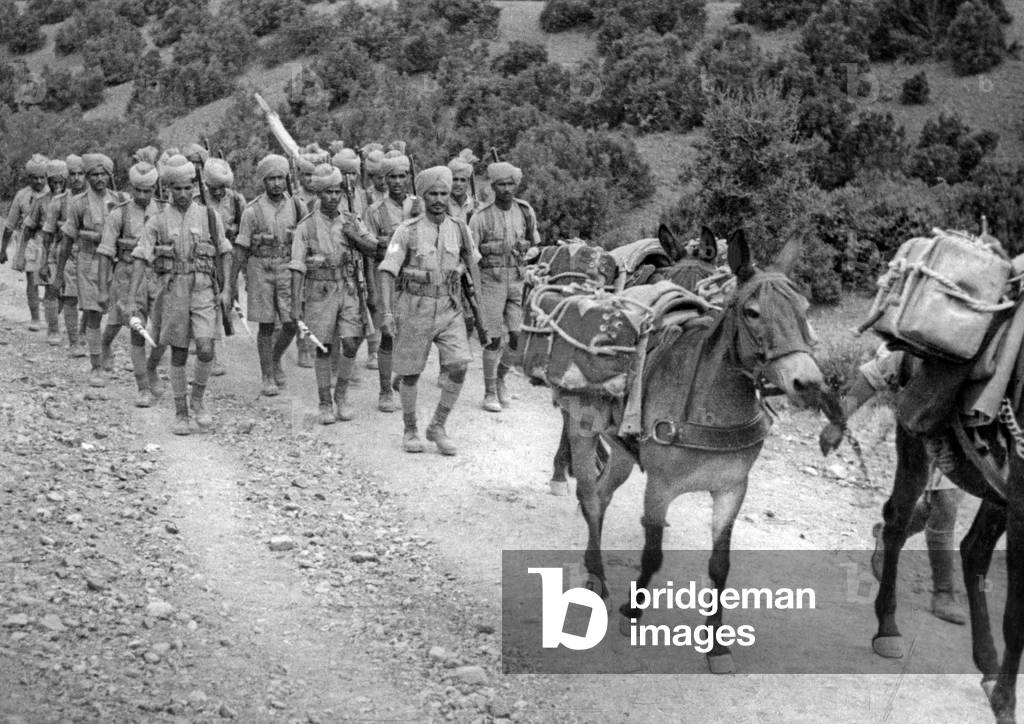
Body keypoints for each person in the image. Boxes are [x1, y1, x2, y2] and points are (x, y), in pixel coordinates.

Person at [819, 345, 967, 624]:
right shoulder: (935, 332)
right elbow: (877, 374)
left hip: (974, 432)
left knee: (940, 503)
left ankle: (887, 536)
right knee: (944, 503)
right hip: (922, 420)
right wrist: (838, 422)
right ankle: (943, 592)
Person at [378, 165, 481, 455]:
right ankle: (410, 429)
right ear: (422, 197)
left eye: (444, 194)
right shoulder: (406, 231)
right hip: (414, 307)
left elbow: (473, 262)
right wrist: (387, 313)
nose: (439, 199)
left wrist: (461, 272)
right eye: (433, 194)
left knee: (460, 364)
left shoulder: (460, 228)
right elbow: (387, 271)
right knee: (411, 374)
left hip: (449, 307)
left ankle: (437, 425)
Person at [128, 154, 231, 434]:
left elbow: (224, 251)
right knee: (179, 352)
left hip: (203, 288)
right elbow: (140, 256)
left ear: (195, 188)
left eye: (188, 188)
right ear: (168, 189)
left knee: (207, 348)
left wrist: (228, 290)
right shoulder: (157, 221)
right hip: (172, 290)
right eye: (177, 188)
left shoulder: (210, 216)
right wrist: (131, 296)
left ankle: (197, 398)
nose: (183, 193)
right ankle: (181, 412)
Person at [289, 164, 377, 424]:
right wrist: (296, 304)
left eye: (337, 191)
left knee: (351, 342)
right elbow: (297, 266)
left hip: (349, 288)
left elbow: (375, 249)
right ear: (317, 193)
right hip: (319, 291)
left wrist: (354, 236)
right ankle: (325, 402)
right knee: (323, 347)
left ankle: (341, 396)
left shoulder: (351, 220)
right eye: (327, 192)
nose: (333, 197)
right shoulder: (306, 226)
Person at [230, 154, 306, 396]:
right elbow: (241, 247)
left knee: (292, 322)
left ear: (287, 178)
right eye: (271, 178)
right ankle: (267, 375)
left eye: (280, 178)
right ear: (263, 181)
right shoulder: (251, 211)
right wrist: (231, 283)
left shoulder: (296, 206)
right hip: (260, 267)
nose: (276, 183)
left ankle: (275, 358)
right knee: (265, 325)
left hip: (287, 267)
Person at [468, 161, 542, 412]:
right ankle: (489, 392)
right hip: (491, 281)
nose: (507, 189)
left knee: (518, 337)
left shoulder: (524, 211)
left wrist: (528, 254)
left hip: (518, 281)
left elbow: (536, 244)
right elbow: (470, 254)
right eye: (501, 184)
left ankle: (501, 378)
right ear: (493, 186)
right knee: (493, 339)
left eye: (511, 183)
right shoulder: (480, 217)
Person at [96, 161, 167, 407]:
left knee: (159, 330)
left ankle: (152, 367)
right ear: (131, 188)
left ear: (155, 189)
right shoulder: (119, 214)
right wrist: (104, 289)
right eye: (138, 190)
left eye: (147, 191)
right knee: (129, 326)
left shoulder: (165, 213)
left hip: (158, 275)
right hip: (127, 275)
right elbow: (105, 252)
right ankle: (142, 386)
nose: (142, 195)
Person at [56, 153, 125, 387]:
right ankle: (96, 366)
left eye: (103, 174)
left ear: (110, 175)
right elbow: (67, 240)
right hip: (88, 262)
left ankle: (105, 346)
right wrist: (58, 275)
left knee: (117, 315)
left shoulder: (120, 201)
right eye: (94, 174)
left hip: (115, 265)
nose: (99, 178)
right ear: (87, 177)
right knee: (93, 314)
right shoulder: (79, 203)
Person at [364, 152, 421, 411]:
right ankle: (385, 390)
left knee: (413, 335)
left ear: (409, 177)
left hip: (416, 281)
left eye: (402, 176)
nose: (397, 181)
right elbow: (370, 248)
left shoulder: (421, 206)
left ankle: (401, 377)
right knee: (387, 334)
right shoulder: (375, 211)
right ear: (384, 180)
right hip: (387, 279)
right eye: (392, 177)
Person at [42, 155, 87, 354]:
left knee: (85, 299)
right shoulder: (59, 202)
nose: (76, 178)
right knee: (62, 294)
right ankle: (65, 336)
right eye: (73, 174)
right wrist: (44, 261)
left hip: (86, 254)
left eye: (80, 173)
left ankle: (84, 334)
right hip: (61, 252)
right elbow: (47, 233)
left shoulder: (93, 200)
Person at [0, 154, 51, 330]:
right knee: (32, 280)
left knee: (53, 280)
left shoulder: (55, 193)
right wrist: (3, 249)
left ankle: (53, 315)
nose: (38, 181)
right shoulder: (22, 195)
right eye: (34, 178)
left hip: (50, 240)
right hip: (29, 241)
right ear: (29, 178)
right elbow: (10, 224)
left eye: (42, 177)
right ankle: (35, 318)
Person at [22, 159, 67, 344]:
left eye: (60, 182)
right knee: (49, 286)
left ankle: (53, 317)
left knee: (66, 291)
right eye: (53, 182)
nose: (56, 186)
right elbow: (28, 227)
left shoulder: (74, 200)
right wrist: (22, 253)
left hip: (67, 247)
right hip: (44, 246)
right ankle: (53, 328)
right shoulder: (41, 202)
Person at [447, 150, 480, 223]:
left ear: (468, 182)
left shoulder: (474, 205)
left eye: (462, 180)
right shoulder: (442, 204)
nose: (458, 184)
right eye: (455, 179)